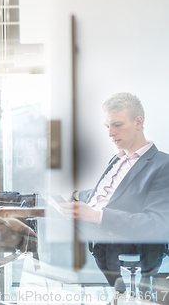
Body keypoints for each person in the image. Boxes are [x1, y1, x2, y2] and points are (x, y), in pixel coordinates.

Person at [61, 92, 169, 294]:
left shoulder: (162, 165)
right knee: (43, 222)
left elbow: (157, 225)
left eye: (117, 125)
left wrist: (96, 216)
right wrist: (76, 196)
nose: (110, 133)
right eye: (107, 126)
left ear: (139, 122)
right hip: (93, 231)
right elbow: (107, 195)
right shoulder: (117, 159)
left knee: (47, 238)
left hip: (119, 240)